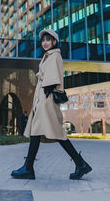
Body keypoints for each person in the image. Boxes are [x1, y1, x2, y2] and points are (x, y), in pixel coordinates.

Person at [11, 29, 92, 180]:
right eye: (43, 40)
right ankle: (80, 164)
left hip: (46, 99)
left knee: (48, 132)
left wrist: (45, 89)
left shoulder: (55, 55)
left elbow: (53, 78)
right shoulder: (48, 56)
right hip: (43, 99)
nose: (45, 43)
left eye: (48, 39)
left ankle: (29, 168)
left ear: (55, 42)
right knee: (51, 132)